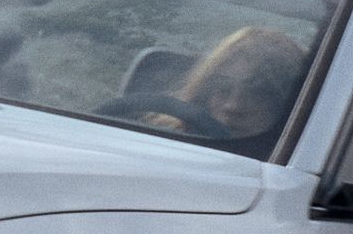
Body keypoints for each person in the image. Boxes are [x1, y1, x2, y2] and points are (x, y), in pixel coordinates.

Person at [121, 22, 307, 151]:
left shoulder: (292, 167)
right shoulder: (158, 143)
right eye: (223, 87)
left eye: (258, 92)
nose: (233, 106)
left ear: (286, 105)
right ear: (205, 90)